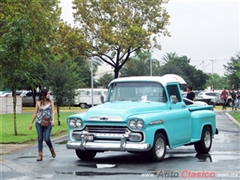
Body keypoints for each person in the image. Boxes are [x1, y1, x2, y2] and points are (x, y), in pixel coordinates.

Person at [29, 88, 56, 161]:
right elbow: (35, 113)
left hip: (48, 122)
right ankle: (40, 155)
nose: (49, 95)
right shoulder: (38, 103)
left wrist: (53, 120)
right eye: (48, 94)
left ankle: (51, 149)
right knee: (40, 138)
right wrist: (31, 123)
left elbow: (53, 112)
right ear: (44, 94)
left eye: (49, 94)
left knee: (47, 138)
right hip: (39, 122)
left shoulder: (51, 102)